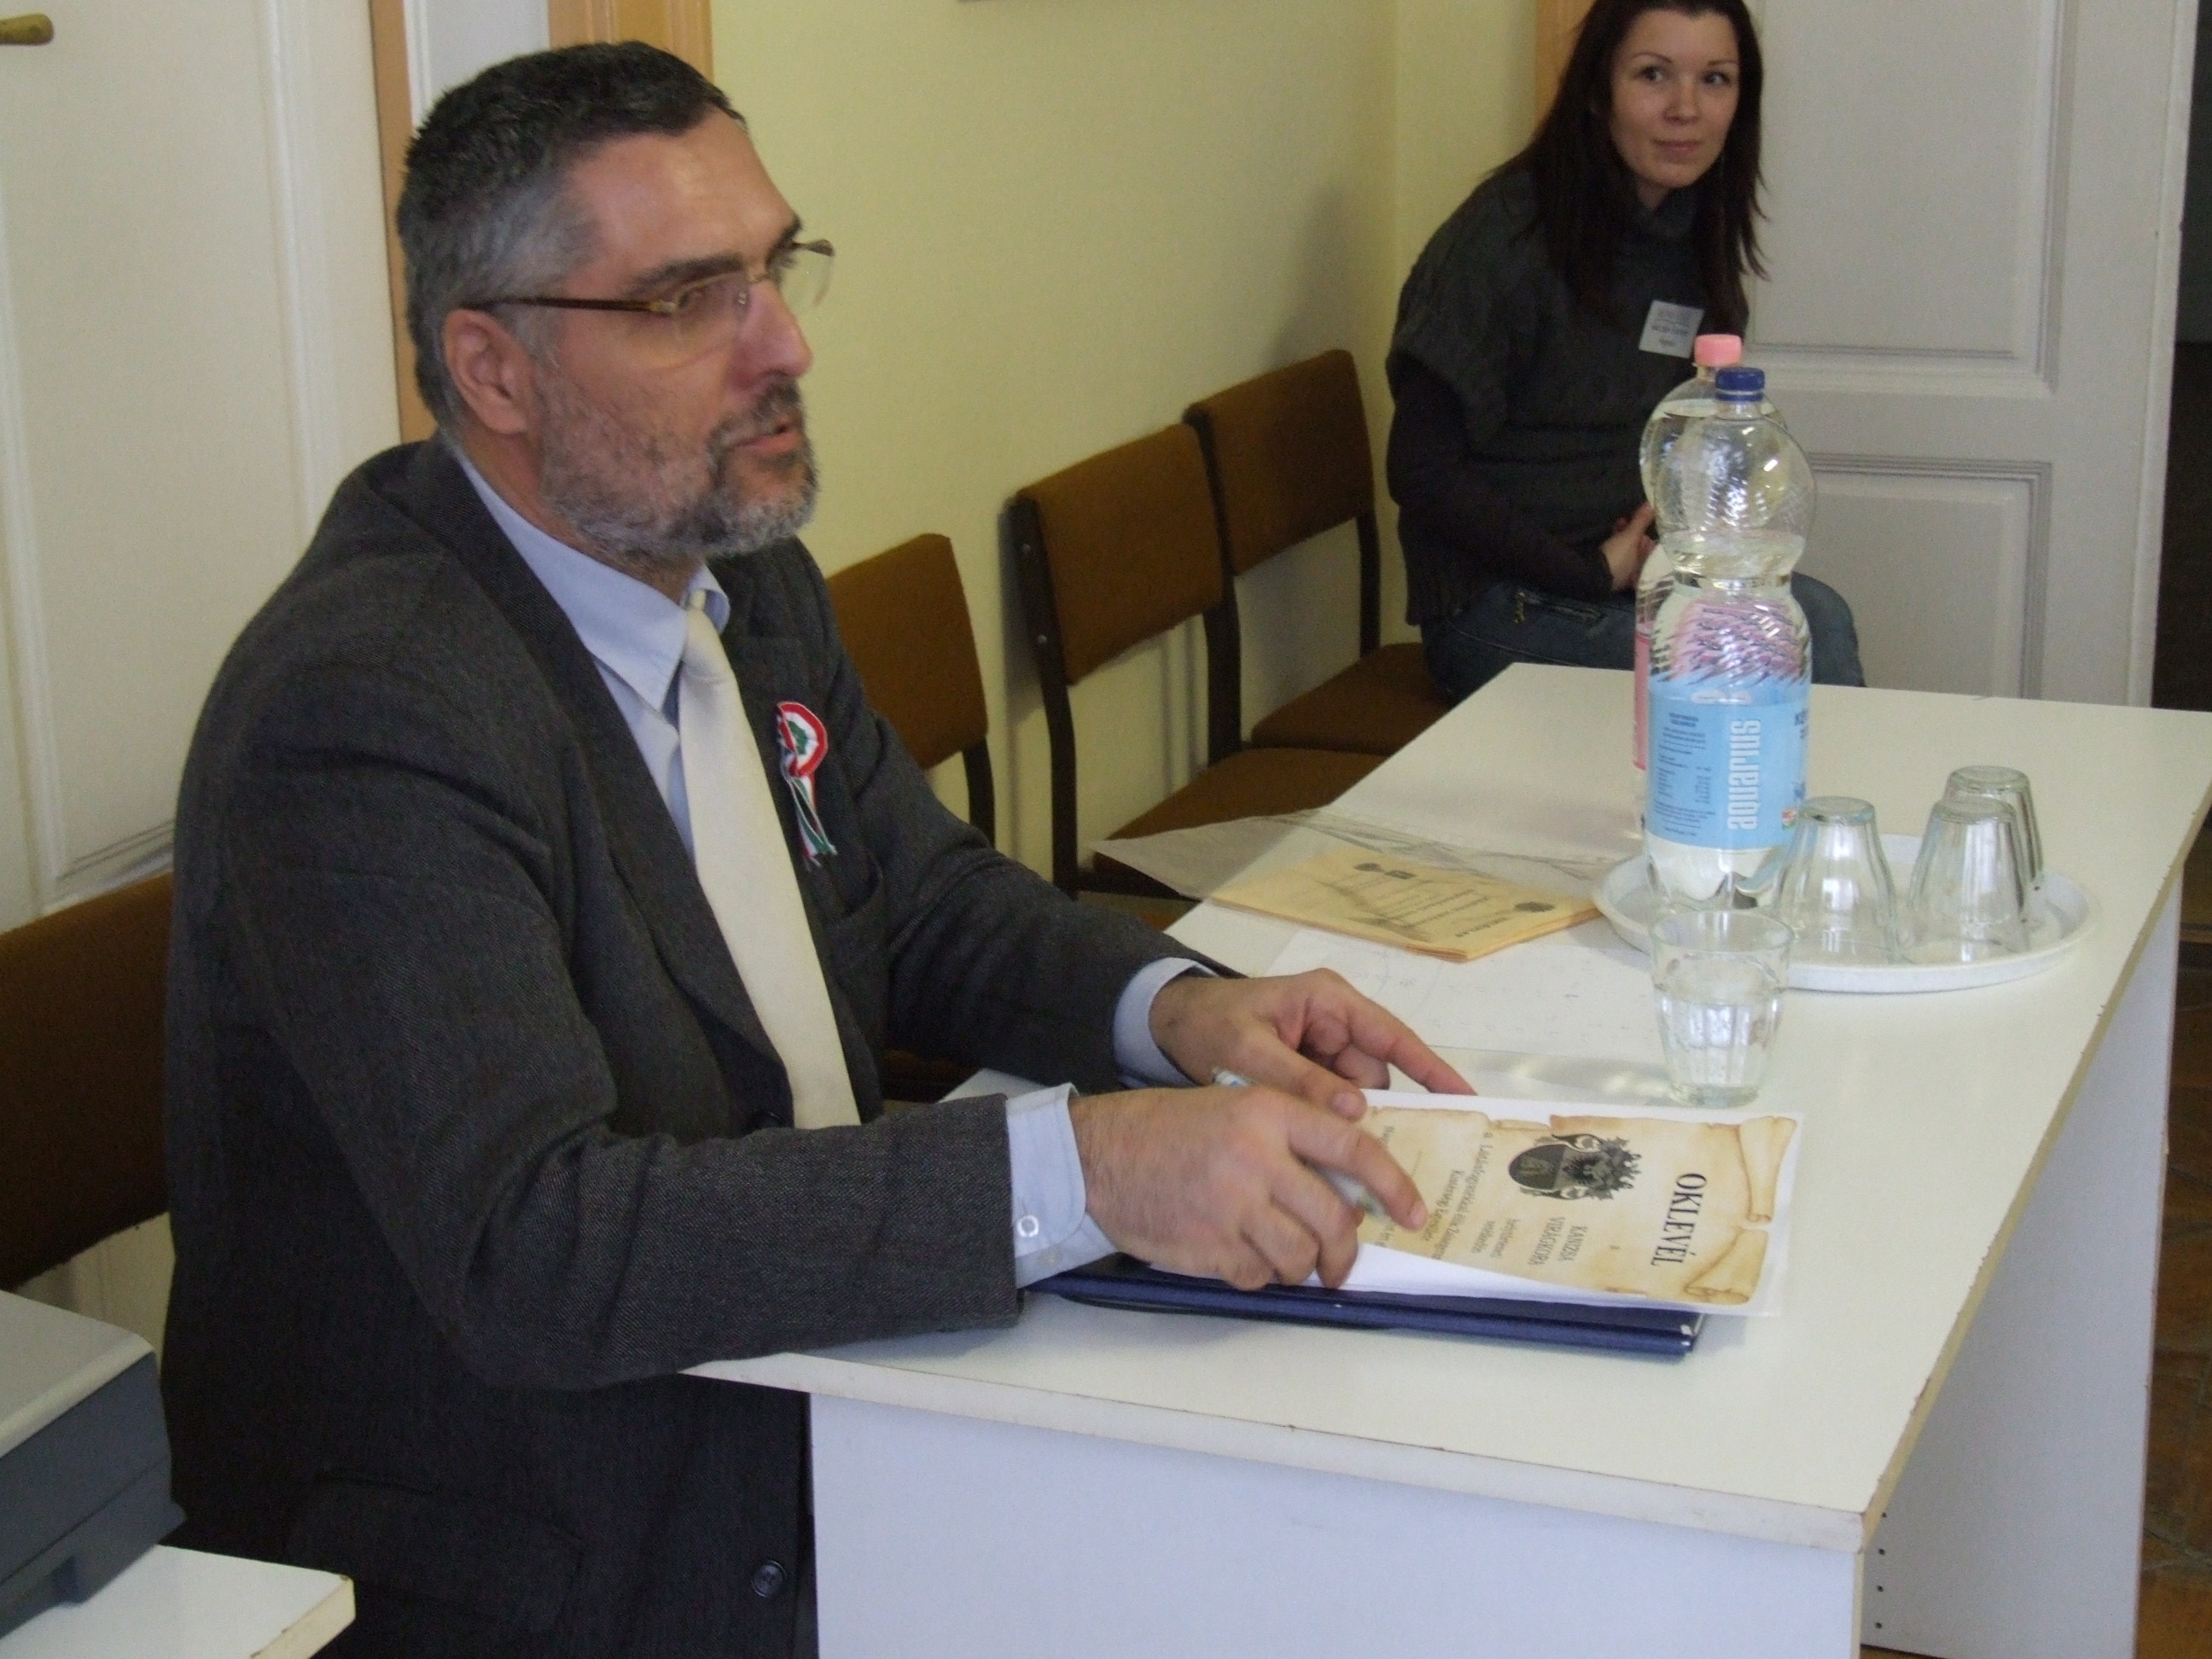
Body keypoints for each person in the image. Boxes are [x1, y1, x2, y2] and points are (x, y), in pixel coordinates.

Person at [159, 44, 1464, 1659]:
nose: (783, 345)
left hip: (836, 1410)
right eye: (688, 300)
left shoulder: (737, 567)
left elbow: (913, 895)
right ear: (492, 369)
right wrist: (1090, 1166)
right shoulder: (368, 707)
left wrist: (1177, 1012)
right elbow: (540, 1242)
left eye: (776, 269)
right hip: (552, 1563)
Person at [1388, 0, 1866, 702]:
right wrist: (1587, 571)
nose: (1686, 109)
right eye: (1653, 75)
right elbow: (1421, 470)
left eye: (1715, 79)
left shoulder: (1687, 228)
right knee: (1756, 662)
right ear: (1596, 92)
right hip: (1498, 604)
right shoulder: (1504, 242)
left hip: (1629, 576)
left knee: (1818, 621)